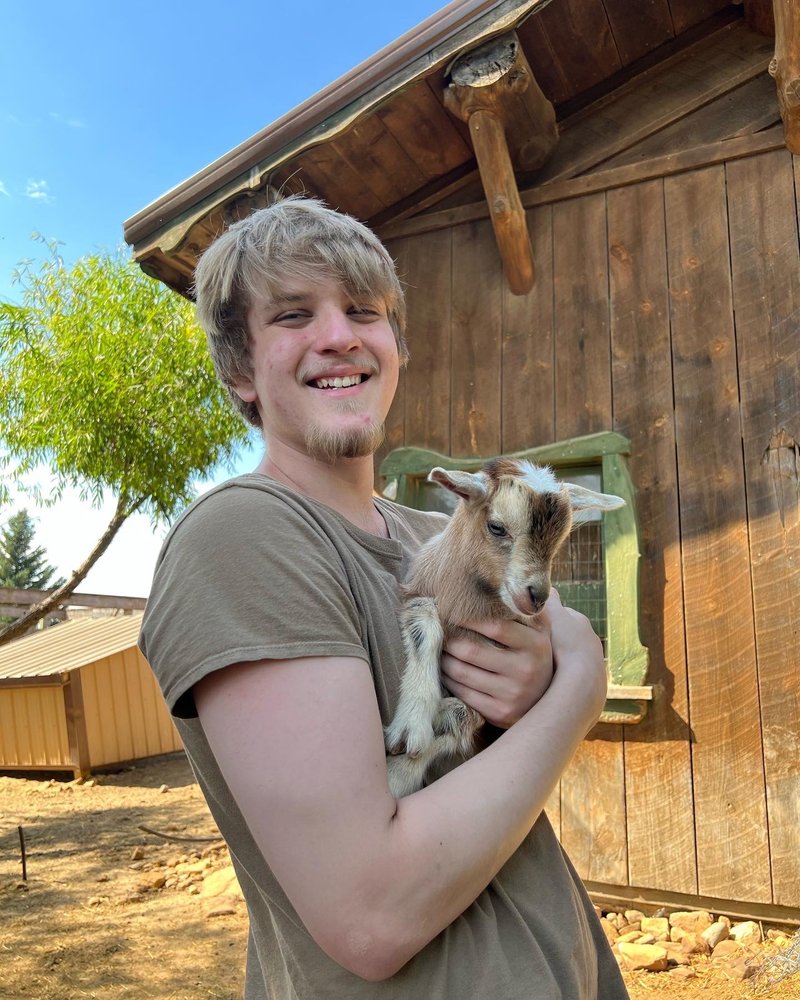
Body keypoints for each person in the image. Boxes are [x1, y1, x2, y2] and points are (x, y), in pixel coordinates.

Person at [139, 196, 629, 1000]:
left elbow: (558, 621)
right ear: (239, 370)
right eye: (294, 315)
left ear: (396, 346)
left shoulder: (437, 531)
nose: (338, 334)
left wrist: (563, 655)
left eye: (363, 311)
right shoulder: (244, 538)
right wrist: (578, 689)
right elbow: (374, 911)